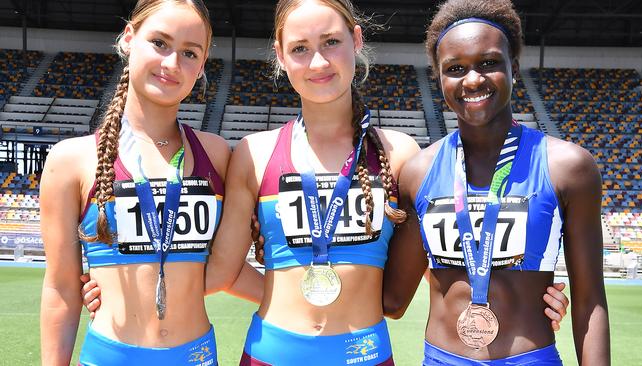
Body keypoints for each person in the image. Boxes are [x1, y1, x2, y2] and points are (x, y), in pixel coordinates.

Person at [80, 0, 571, 364]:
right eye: (300, 49)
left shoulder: (399, 155)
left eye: (331, 43)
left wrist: (527, 294)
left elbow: (449, 251)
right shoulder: (252, 154)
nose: (318, 63)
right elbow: (219, 271)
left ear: (356, 41)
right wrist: (117, 287)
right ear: (280, 55)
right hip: (269, 354)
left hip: (366, 355)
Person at [381, 0, 610, 365]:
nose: (473, 79)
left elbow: (590, 301)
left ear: (514, 68)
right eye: (455, 68)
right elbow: (392, 300)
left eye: (488, 63)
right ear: (439, 80)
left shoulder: (568, 167)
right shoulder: (418, 172)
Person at [39, 1, 261, 365]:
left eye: (190, 52)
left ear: (202, 65)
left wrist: (297, 300)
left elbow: (225, 269)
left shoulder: (218, 154)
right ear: (129, 38)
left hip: (198, 356)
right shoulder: (71, 160)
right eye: (160, 42)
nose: (173, 63)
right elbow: (61, 289)